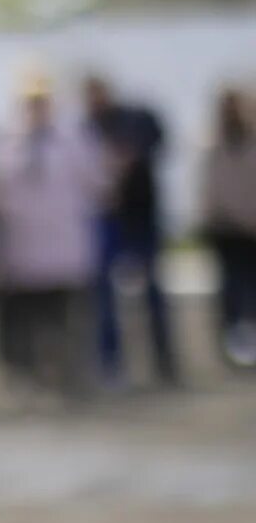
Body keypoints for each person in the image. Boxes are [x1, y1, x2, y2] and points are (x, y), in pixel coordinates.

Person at [0, 71, 100, 399]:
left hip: (64, 250)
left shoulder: (74, 141)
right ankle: (34, 379)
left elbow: (96, 186)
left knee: (66, 319)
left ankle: (70, 379)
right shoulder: (9, 144)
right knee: (30, 322)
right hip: (24, 253)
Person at [84, 73, 180, 386]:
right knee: (104, 296)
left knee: (152, 290)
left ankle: (164, 359)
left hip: (141, 214)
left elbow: (159, 139)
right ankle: (110, 362)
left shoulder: (135, 118)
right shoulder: (85, 128)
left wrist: (130, 155)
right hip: (107, 217)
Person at [199, 86, 256, 368]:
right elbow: (212, 189)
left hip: (250, 228)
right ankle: (232, 342)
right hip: (226, 230)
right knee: (230, 289)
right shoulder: (215, 145)